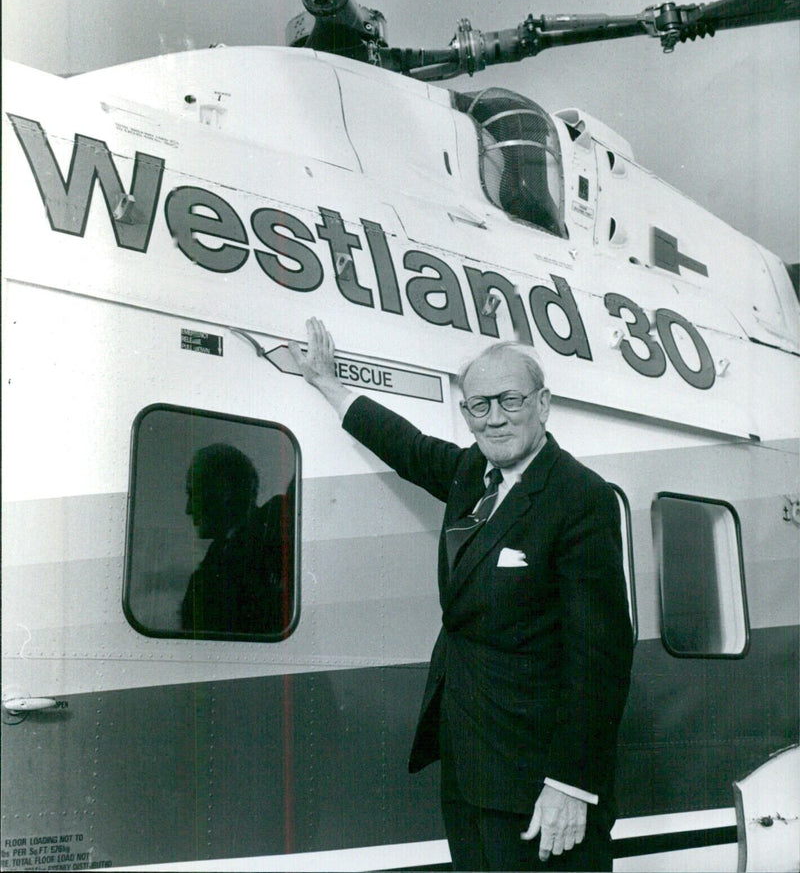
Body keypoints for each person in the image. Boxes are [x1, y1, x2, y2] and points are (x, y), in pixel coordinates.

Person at [289, 318, 633, 872]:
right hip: (470, 766)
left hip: (537, 783)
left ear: (543, 404)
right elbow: (409, 448)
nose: (494, 418)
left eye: (509, 400)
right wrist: (330, 385)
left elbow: (602, 656)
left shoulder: (579, 498)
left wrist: (571, 785)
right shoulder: (475, 473)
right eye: (478, 406)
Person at [182, 443, 291, 636]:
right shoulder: (218, 561)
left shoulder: (274, 545)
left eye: (193, 494)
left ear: (224, 491)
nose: (188, 509)